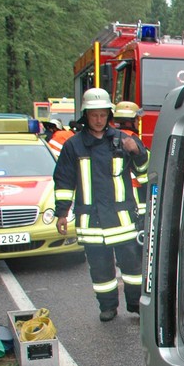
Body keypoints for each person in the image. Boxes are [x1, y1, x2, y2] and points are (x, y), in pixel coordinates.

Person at [53, 88, 149, 322]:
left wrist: (137, 152)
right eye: (94, 115)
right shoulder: (74, 146)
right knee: (100, 269)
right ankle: (107, 307)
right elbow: (64, 181)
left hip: (122, 219)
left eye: (102, 115)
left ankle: (136, 305)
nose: (98, 119)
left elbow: (144, 171)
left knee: (133, 268)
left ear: (109, 115)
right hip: (91, 221)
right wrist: (61, 213)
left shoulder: (124, 141)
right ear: (86, 115)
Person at [111, 101, 149, 217]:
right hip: (135, 196)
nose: (138, 122)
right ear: (130, 121)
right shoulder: (132, 140)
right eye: (137, 119)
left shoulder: (110, 138)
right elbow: (143, 173)